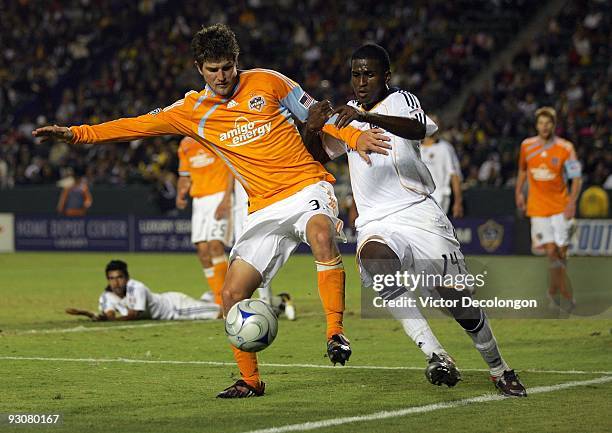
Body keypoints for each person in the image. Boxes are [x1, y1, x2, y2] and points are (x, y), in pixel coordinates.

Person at [33, 24, 388, 398]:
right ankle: (250, 381)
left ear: (237, 62)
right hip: (262, 208)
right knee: (231, 296)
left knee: (320, 235)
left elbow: (319, 114)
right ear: (199, 68)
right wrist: (77, 134)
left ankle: (335, 332)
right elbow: (134, 126)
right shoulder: (191, 110)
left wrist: (355, 136)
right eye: (213, 69)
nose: (222, 76)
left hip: (305, 187)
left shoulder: (269, 82)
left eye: (228, 67)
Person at [305, 43, 526, 397]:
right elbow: (315, 156)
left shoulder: (401, 100)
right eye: (356, 74)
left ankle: (500, 369)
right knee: (376, 261)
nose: (361, 81)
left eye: (369, 74)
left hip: (419, 212)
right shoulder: (344, 116)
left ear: (386, 76)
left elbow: (418, 128)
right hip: (376, 220)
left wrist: (365, 118)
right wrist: (310, 128)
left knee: (456, 301)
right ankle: (436, 354)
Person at [515, 107, 582, 311]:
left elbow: (576, 178)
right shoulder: (527, 146)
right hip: (537, 208)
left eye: (548, 123)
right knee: (552, 252)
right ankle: (566, 296)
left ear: (554, 125)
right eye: (541, 123)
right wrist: (518, 192)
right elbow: (523, 171)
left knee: (561, 253)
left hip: (560, 207)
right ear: (536, 125)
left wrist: (571, 202)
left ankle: (553, 292)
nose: (544, 127)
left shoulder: (566, 148)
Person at [176, 136, 233, 306]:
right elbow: (185, 175)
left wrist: (227, 198)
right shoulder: (185, 144)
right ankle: (218, 298)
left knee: (215, 246)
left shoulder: (212, 132)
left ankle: (227, 298)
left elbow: (230, 167)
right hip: (199, 200)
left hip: (219, 195)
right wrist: (181, 192)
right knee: (202, 252)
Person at [65, 260, 220, 321]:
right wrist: (86, 313)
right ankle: (208, 297)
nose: (116, 282)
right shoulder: (106, 296)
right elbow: (109, 315)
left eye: (119, 277)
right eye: (111, 278)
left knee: (219, 314)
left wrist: (108, 320)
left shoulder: (136, 287)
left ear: (126, 278)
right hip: (170, 305)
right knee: (209, 306)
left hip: (176, 308)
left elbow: (134, 315)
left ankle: (222, 298)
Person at [420, 115, 464, 217]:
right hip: (418, 198)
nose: (431, 124)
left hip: (439, 198)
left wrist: (458, 202)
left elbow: (454, 176)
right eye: (429, 121)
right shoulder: (416, 148)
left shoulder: (446, 148)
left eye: (435, 122)